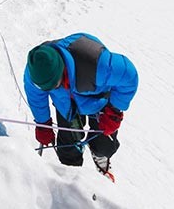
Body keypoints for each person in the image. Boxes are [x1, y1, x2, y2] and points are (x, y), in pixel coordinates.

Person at [25, 33, 138, 178]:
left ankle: (101, 156)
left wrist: (114, 111)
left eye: (53, 85)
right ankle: (72, 176)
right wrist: (43, 123)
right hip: (66, 105)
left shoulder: (95, 62)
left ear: (61, 70)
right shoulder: (35, 72)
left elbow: (129, 76)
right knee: (67, 147)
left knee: (104, 145)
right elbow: (36, 97)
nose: (51, 89)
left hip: (98, 100)